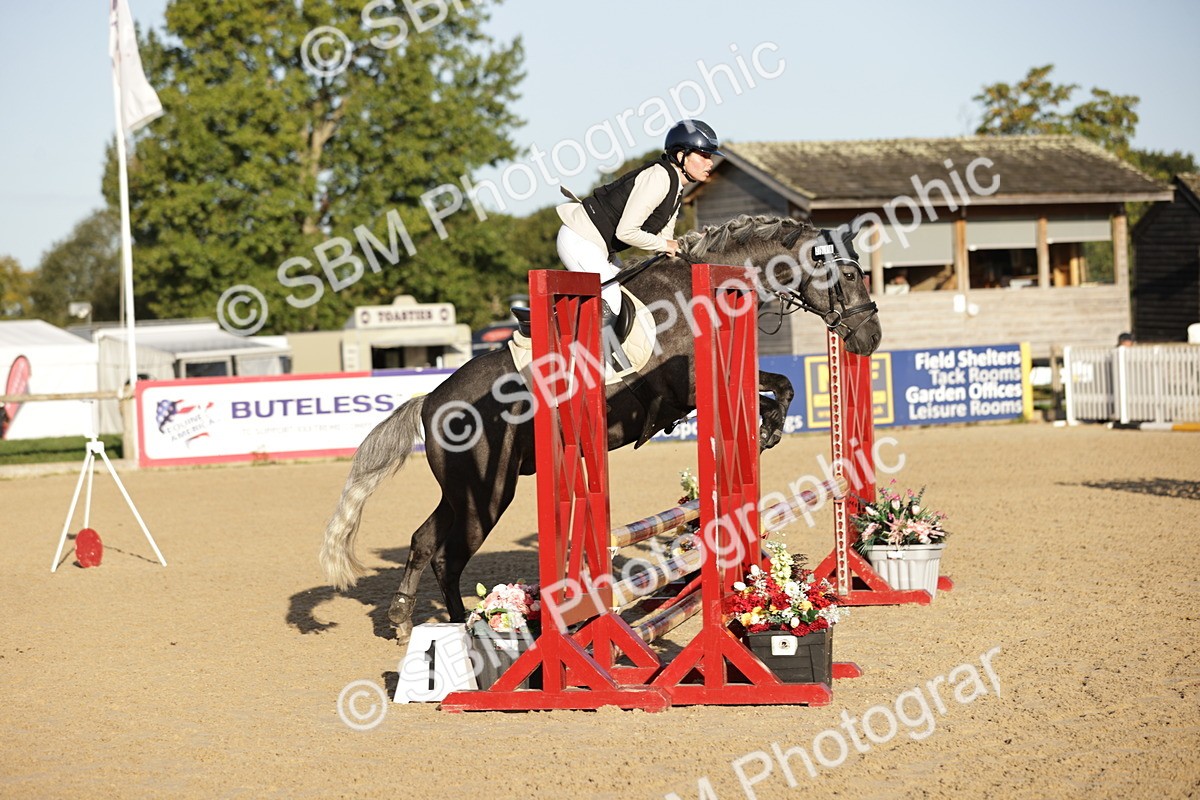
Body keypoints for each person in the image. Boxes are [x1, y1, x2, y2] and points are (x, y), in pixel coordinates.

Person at [556, 119, 722, 332]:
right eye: (704, 156)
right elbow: (626, 232)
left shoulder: (675, 187)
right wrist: (668, 245)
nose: (710, 163)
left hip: (601, 248)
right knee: (611, 296)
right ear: (681, 155)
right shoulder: (659, 178)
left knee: (629, 292)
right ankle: (589, 352)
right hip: (579, 238)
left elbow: (664, 241)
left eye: (710, 157)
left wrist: (691, 246)